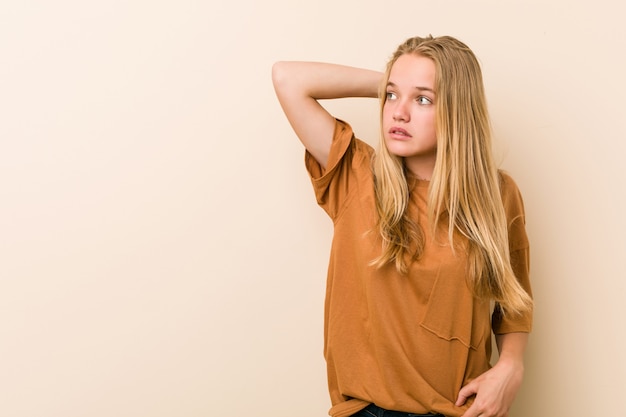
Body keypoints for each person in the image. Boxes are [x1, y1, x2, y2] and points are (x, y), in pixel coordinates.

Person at [271, 35, 533, 417]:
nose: (398, 113)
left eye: (423, 100)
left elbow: (514, 300)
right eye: (392, 97)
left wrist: (511, 364)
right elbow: (287, 79)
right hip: (366, 410)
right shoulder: (356, 175)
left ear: (458, 110)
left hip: (460, 410)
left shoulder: (497, 195)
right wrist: (393, 82)